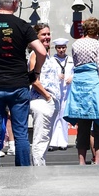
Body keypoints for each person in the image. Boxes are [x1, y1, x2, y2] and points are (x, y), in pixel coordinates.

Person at [0, 0, 47, 167]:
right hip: (18, 84)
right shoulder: (22, 25)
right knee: (21, 131)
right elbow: (42, 52)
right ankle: (22, 171)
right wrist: (35, 72)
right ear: (15, 3)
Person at [64, 17, 99, 164]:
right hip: (94, 85)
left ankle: (81, 160)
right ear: (97, 31)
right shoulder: (98, 45)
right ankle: (98, 159)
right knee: (98, 124)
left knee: (82, 126)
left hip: (79, 85)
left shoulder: (76, 44)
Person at [29, 24, 64, 166]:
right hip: (42, 100)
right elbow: (33, 79)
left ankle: (39, 166)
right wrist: (48, 97)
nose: (47, 37)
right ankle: (38, 170)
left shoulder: (47, 55)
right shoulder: (35, 54)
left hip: (50, 101)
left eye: (48, 34)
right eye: (43, 34)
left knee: (45, 138)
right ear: (36, 37)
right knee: (40, 139)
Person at [48, 39, 74, 150]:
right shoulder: (51, 60)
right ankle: (52, 142)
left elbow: (75, 72)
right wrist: (56, 75)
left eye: (63, 47)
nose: (61, 50)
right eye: (59, 48)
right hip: (55, 92)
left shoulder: (71, 60)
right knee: (53, 117)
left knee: (64, 117)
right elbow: (48, 73)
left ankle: (63, 142)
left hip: (66, 92)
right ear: (56, 48)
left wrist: (72, 78)